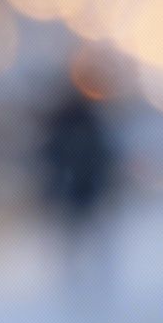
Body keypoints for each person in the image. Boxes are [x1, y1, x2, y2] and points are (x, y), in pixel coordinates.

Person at [34, 79, 118, 301]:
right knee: (80, 238)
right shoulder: (74, 125)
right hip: (77, 189)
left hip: (81, 188)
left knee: (84, 237)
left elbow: (49, 159)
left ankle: (92, 279)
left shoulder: (73, 125)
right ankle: (81, 280)